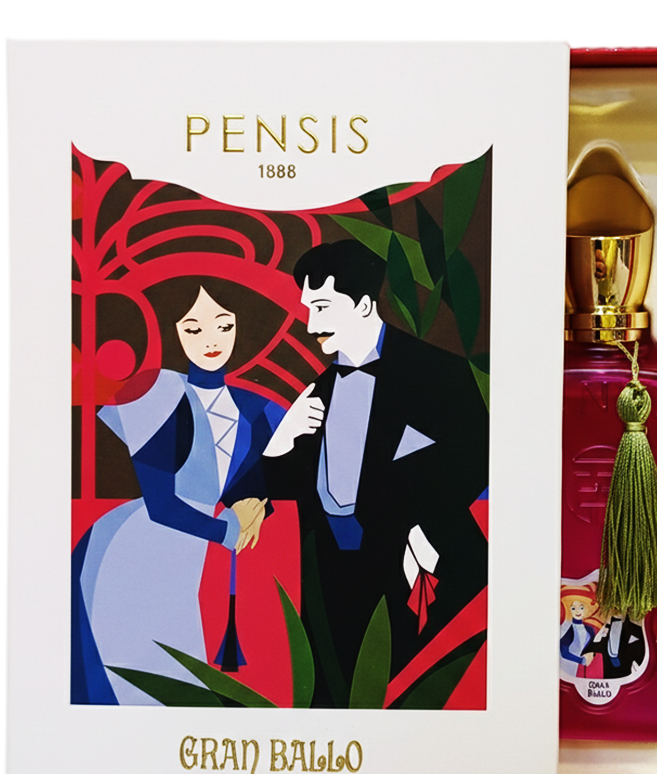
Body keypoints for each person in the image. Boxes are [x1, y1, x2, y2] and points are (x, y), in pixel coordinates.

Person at [263, 241, 488, 707]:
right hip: (330, 576)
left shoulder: (438, 372)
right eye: (309, 309)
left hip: (414, 564)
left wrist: (419, 522)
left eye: (323, 308)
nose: (311, 325)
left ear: (365, 305)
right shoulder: (318, 392)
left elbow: (477, 454)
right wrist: (280, 444)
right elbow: (284, 490)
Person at [72, 281, 285, 704]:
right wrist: (229, 529)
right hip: (137, 549)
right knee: (140, 668)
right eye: (194, 328)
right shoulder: (155, 395)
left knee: (182, 671)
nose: (211, 340)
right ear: (172, 330)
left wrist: (258, 507)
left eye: (224, 325)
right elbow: (162, 506)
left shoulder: (258, 407)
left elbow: (265, 480)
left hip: (193, 553)